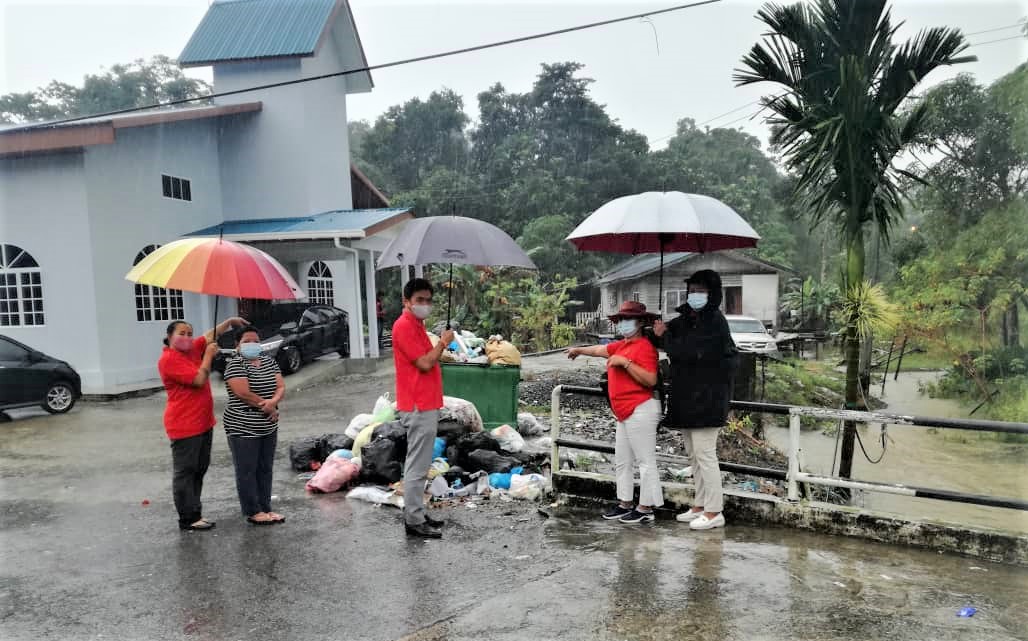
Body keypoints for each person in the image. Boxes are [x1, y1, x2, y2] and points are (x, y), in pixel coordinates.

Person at [654, 270, 738, 530]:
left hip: (708, 399)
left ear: (712, 294)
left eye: (700, 291)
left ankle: (714, 511)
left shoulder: (715, 322)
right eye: (691, 290)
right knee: (693, 455)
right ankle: (700, 505)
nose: (694, 295)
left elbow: (689, 351)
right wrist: (658, 330)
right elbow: (669, 336)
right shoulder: (688, 319)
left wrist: (665, 336)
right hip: (688, 399)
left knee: (705, 455)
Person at [567, 301, 663, 524]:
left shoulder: (645, 347)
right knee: (623, 460)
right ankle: (624, 503)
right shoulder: (622, 344)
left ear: (640, 322)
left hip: (641, 408)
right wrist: (579, 350)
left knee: (645, 461)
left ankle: (645, 508)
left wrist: (626, 363)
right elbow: (599, 350)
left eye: (627, 319)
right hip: (623, 411)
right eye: (620, 319)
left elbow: (650, 380)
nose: (623, 323)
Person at [157, 316, 247, 531]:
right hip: (184, 424)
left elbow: (208, 336)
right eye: (181, 333)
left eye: (189, 333)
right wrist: (208, 355)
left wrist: (228, 322)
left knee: (199, 469)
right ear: (169, 336)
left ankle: (195, 511)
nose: (187, 337)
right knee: (186, 472)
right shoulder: (169, 359)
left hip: (203, 422)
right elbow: (198, 380)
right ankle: (187, 518)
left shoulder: (191, 350)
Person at [391, 278, 454, 538]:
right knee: (417, 466)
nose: (425, 304)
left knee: (420, 463)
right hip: (417, 404)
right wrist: (443, 343)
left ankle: (416, 512)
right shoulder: (404, 326)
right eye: (420, 300)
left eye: (428, 300)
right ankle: (414, 520)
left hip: (425, 401)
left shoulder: (417, 325)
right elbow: (425, 363)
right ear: (406, 301)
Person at [223, 326, 286, 525]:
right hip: (243, 424)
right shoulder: (235, 364)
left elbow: (280, 386)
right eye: (247, 341)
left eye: (256, 341)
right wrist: (267, 406)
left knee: (265, 468)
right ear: (237, 345)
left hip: (268, 423)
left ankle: (266, 507)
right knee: (247, 469)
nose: (252, 344)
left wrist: (273, 402)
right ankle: (253, 510)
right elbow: (242, 393)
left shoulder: (269, 361)